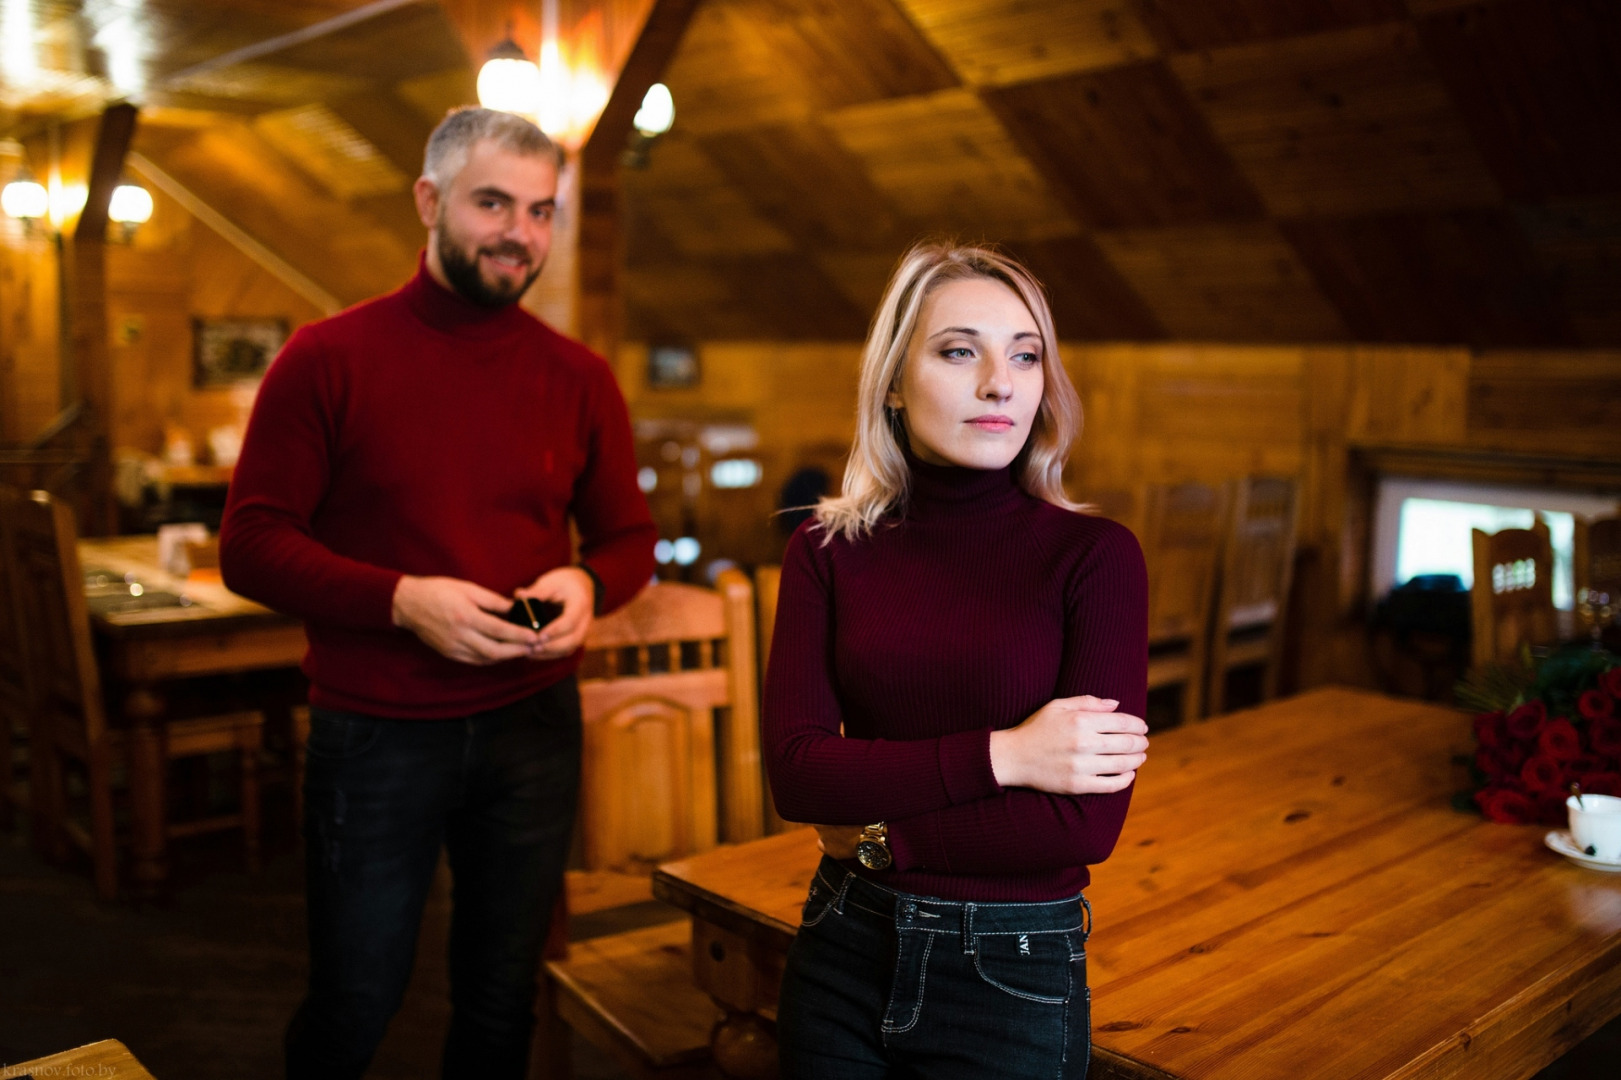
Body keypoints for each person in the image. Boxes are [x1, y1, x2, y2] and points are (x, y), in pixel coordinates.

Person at [219, 107, 657, 1079]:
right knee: (354, 1004)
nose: (520, 234)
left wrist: (588, 581)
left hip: (534, 723)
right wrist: (401, 600)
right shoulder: (326, 358)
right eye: (492, 202)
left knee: (501, 1003)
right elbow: (248, 546)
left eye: (541, 211)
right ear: (429, 201)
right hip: (377, 732)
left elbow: (631, 542)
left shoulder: (579, 376)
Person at [763, 242, 1150, 1079]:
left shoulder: (1095, 557)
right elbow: (797, 774)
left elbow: (1085, 824)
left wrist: (875, 838)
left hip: (1012, 970)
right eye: (957, 351)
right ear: (893, 383)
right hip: (841, 948)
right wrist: (1007, 755)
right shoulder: (826, 548)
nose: (998, 383)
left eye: (1023, 354)